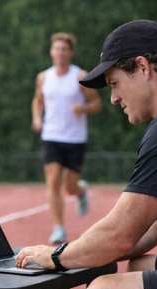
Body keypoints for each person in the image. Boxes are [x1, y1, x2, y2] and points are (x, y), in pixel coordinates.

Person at [16, 19, 157, 289]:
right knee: (137, 266)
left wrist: (55, 255)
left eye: (114, 83)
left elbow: (119, 234)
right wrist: (80, 250)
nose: (113, 98)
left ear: (143, 67)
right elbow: (154, 227)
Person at [31, 32, 102, 244]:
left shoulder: (80, 76)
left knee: (69, 186)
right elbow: (37, 101)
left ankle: (80, 191)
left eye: (64, 49)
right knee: (52, 182)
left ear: (70, 53)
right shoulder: (44, 77)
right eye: (56, 49)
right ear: (51, 52)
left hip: (75, 138)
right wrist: (36, 118)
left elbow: (97, 103)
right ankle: (59, 228)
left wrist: (84, 108)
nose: (60, 52)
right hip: (51, 135)